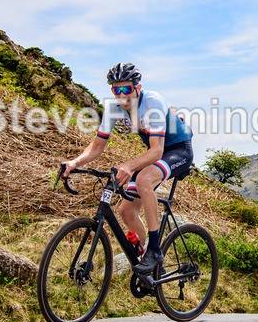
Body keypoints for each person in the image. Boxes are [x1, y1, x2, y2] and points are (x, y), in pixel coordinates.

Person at [61, 62, 193, 274]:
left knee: (143, 180)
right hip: (155, 152)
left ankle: (155, 249)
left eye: (126, 89)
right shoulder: (113, 110)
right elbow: (96, 148)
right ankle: (143, 257)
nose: (122, 95)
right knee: (126, 211)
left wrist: (129, 166)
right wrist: (74, 163)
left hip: (178, 150)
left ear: (137, 88)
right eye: (116, 90)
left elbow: (157, 151)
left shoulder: (152, 103)